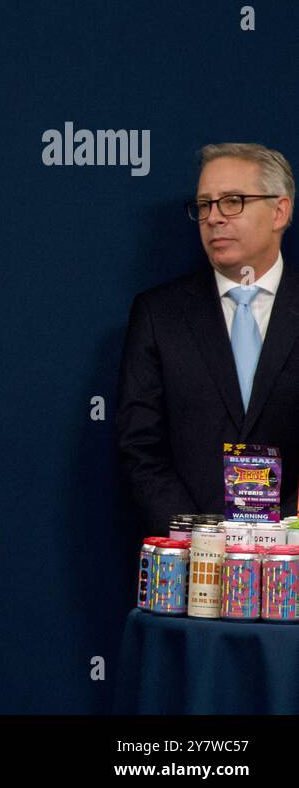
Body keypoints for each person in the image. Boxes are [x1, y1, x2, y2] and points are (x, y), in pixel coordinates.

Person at [118, 143, 299, 537]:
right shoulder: (158, 314)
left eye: (232, 201)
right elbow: (141, 447)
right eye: (204, 205)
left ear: (279, 211)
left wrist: (280, 538)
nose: (214, 218)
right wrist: (199, 539)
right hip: (192, 569)